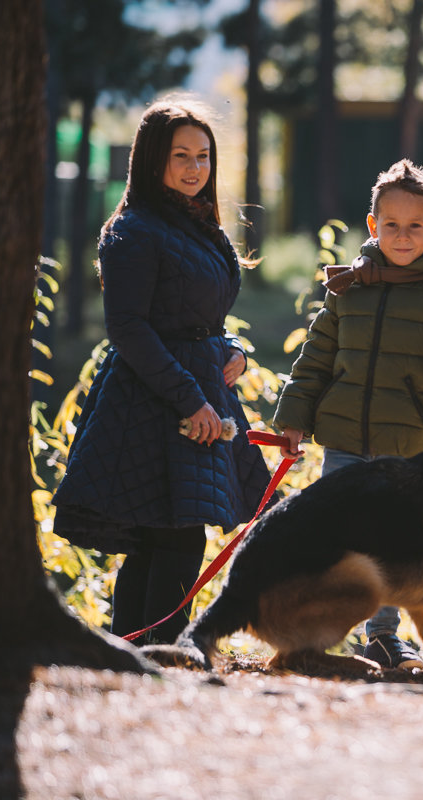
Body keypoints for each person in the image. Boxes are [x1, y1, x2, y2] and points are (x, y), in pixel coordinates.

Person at [52, 98, 271, 645]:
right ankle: (153, 655)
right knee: (170, 538)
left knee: (165, 538)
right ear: (153, 160)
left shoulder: (202, 228)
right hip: (152, 401)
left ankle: (139, 652)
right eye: (181, 155)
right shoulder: (134, 230)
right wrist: (190, 400)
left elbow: (206, 318)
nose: (195, 168)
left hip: (198, 393)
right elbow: (128, 328)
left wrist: (236, 350)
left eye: (203, 156)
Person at [272, 159, 423, 670]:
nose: (402, 235)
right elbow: (316, 359)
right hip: (345, 439)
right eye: (390, 225)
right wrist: (293, 418)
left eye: (416, 226)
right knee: (337, 537)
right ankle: (315, 632)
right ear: (372, 226)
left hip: (408, 448)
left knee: (395, 543)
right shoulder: (350, 290)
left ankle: (385, 638)